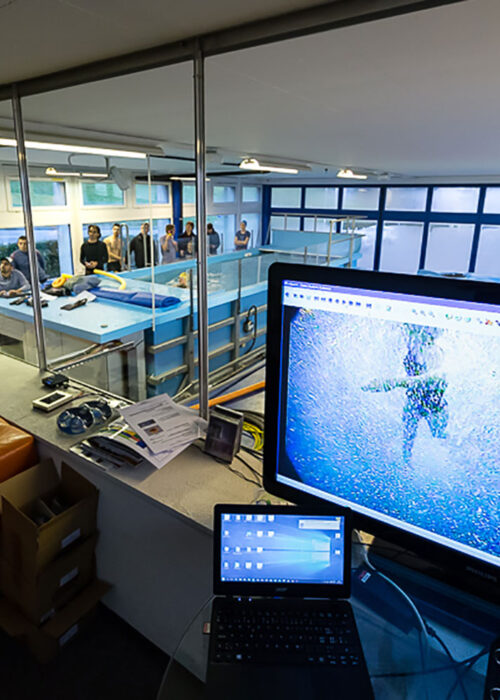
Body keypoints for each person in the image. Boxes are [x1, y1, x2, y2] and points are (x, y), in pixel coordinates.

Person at [362, 324, 448, 465]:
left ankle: (465, 455)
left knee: (440, 438)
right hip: (414, 400)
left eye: (409, 329)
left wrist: (394, 382)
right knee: (407, 442)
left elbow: (438, 377)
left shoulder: (433, 351)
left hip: (435, 404)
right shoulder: (413, 347)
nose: (406, 333)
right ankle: (406, 466)